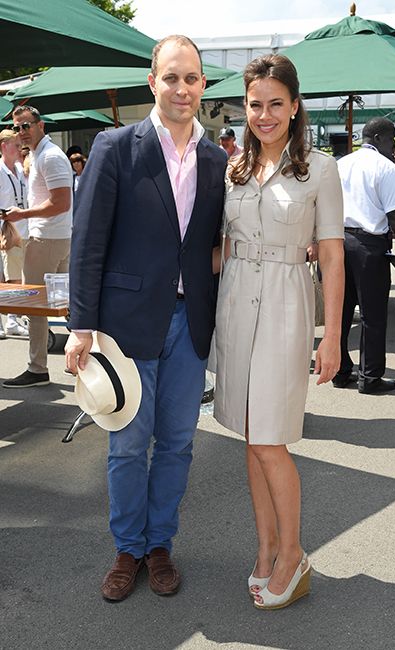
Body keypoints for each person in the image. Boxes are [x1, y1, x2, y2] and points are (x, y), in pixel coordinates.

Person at [64, 35, 226, 602]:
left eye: (192, 79)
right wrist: (79, 327)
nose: (182, 89)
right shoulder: (116, 147)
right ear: (152, 82)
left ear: (203, 86)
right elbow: (87, 243)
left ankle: (161, 544)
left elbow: (211, 244)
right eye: (172, 78)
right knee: (128, 443)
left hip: (190, 324)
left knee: (178, 442)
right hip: (126, 323)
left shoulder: (216, 159)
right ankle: (128, 548)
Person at [214, 54, 345, 610]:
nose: (264, 114)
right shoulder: (235, 167)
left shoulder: (320, 168)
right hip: (236, 303)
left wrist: (332, 334)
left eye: (275, 103)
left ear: (294, 106)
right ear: (245, 109)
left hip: (289, 306)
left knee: (270, 439)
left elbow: (334, 259)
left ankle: (293, 554)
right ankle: (265, 548)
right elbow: (218, 250)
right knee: (250, 436)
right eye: (254, 104)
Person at [334, 117, 395, 394]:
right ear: (379, 138)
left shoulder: (341, 163)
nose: (394, 145)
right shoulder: (384, 166)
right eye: (392, 139)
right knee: (373, 315)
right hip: (368, 246)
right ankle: (370, 377)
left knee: (341, 313)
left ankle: (340, 371)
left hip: (338, 242)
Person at [2, 106, 73, 388]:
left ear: (40, 125)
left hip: (47, 240)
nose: (21, 132)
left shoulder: (50, 156)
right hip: (56, 238)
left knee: (37, 307)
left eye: (26, 126)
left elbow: (61, 203)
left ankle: (37, 368)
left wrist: (22, 214)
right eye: (17, 127)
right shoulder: (40, 155)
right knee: (62, 304)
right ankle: (79, 359)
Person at [0, 129, 29, 337]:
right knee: (8, 277)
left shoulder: (20, 169)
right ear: (4, 146)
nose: (20, 149)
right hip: (5, 229)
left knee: (18, 276)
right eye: (16, 145)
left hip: (23, 228)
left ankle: (12, 318)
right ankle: (8, 320)